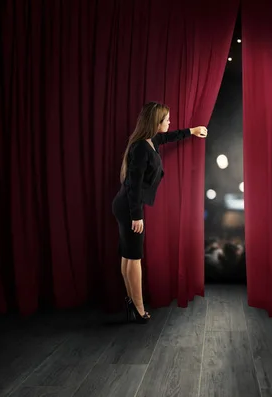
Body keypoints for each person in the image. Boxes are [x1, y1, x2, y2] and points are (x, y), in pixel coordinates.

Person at [112, 102, 208, 324]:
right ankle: (138, 307)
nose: (169, 122)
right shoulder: (140, 148)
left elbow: (167, 138)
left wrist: (191, 131)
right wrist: (137, 215)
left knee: (128, 255)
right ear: (155, 122)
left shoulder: (149, 141)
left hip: (125, 204)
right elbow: (134, 185)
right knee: (133, 258)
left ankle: (130, 302)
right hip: (128, 206)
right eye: (166, 119)